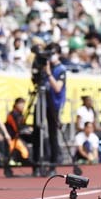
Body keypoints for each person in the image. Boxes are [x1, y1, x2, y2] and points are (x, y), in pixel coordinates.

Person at [32, 43, 67, 175]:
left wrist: (48, 73)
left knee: (53, 134)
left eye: (52, 54)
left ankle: (53, 165)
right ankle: (35, 164)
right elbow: (35, 81)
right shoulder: (43, 65)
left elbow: (57, 88)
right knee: (36, 131)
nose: (50, 57)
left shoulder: (60, 69)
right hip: (41, 101)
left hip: (53, 104)